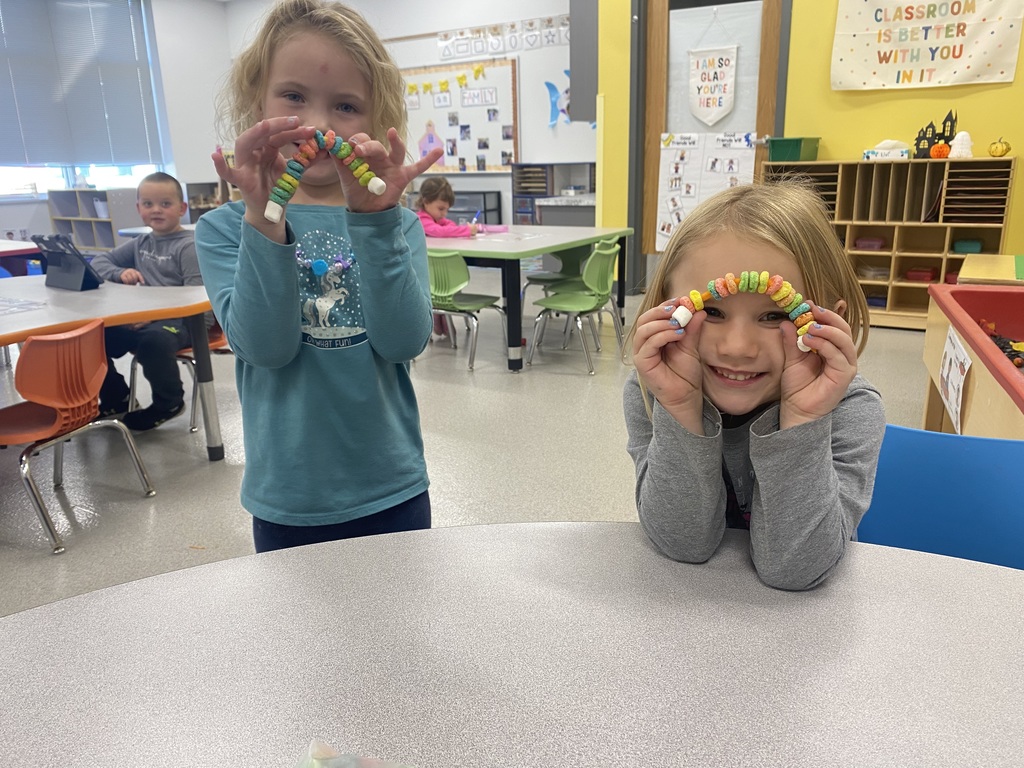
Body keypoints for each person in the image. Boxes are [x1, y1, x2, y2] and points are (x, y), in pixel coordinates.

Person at [194, 0, 443, 554]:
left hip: (391, 486)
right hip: (289, 497)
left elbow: (405, 341)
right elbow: (266, 349)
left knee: (402, 634)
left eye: (347, 105)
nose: (320, 126)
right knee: (299, 640)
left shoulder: (398, 221)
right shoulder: (224, 228)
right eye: (294, 97)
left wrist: (374, 224)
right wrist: (264, 217)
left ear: (378, 120)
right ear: (256, 102)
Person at [624, 181, 885, 591]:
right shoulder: (653, 391)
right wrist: (680, 406)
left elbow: (797, 569)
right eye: (710, 310)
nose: (738, 348)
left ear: (827, 321)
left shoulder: (851, 408)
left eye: (773, 316)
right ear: (664, 308)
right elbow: (681, 545)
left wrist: (803, 419)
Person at [92, 172, 201, 431]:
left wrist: (155, 316)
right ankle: (117, 396)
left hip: (181, 322)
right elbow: (98, 263)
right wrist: (119, 273)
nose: (156, 210)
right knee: (92, 339)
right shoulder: (141, 242)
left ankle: (169, 402)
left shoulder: (188, 246)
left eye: (165, 204)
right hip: (142, 319)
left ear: (181, 208)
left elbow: (197, 296)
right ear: (139, 208)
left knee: (154, 342)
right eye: (148, 204)